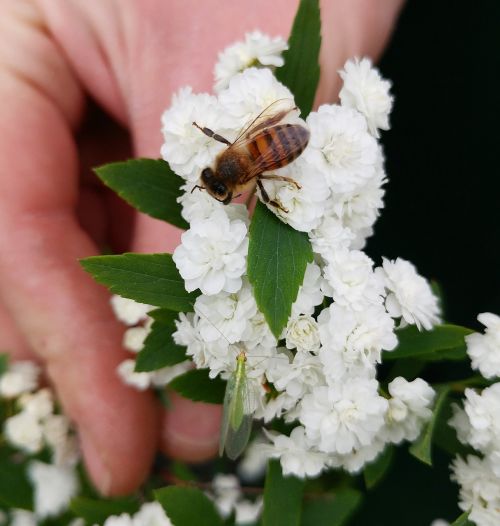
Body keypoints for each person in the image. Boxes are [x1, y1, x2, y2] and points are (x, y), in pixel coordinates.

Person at [0, 0, 404, 495]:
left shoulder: (241, 171)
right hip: (280, 141)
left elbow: (261, 169)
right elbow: (264, 130)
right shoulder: (236, 155)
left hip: (292, 152)